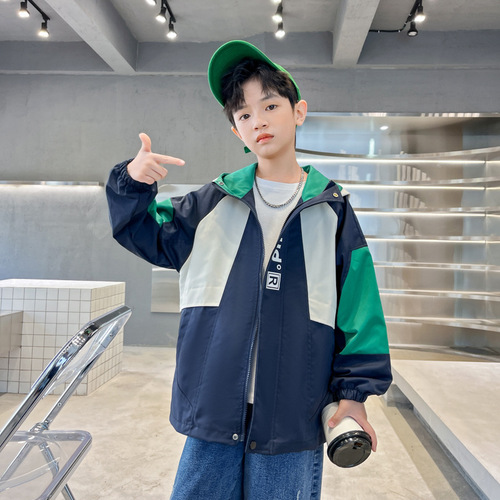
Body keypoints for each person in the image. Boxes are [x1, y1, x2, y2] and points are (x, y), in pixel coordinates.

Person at [106, 40, 392, 499]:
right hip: (214, 407)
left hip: (294, 414)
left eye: (270, 106)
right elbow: (144, 232)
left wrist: (354, 397)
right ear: (236, 131)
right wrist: (132, 183)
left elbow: (360, 311)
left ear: (299, 112)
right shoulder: (212, 203)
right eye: (243, 114)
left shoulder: (332, 211)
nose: (258, 120)